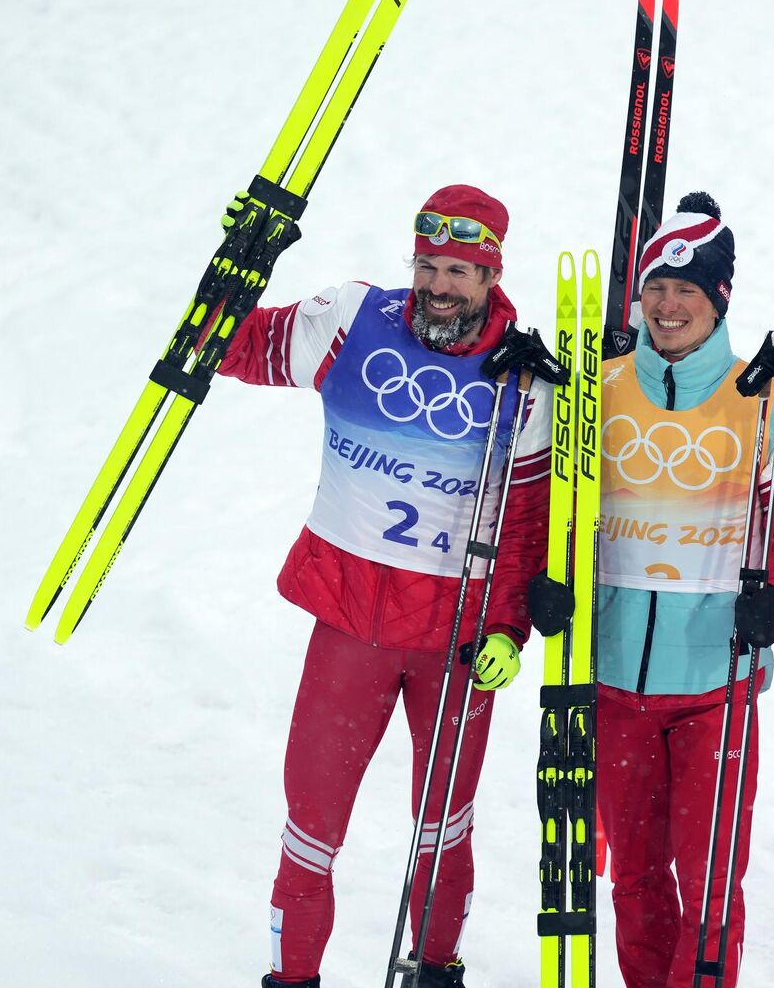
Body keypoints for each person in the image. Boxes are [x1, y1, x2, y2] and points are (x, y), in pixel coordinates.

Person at [215, 184, 553, 988]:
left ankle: (437, 974)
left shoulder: (524, 379)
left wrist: (508, 632)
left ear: (492, 276)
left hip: (456, 644)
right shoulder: (351, 320)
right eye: (429, 265)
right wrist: (236, 269)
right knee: (310, 832)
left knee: (442, 831)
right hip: (348, 634)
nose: (440, 285)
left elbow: (531, 528)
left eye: (460, 272)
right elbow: (227, 348)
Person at [531, 192, 774, 987]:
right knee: (633, 877)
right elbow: (558, 512)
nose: (667, 305)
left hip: (714, 682)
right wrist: (550, 584)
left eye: (687, 290)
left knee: (708, 879)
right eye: (656, 287)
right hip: (613, 678)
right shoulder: (597, 389)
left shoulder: (760, 396)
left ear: (718, 299)